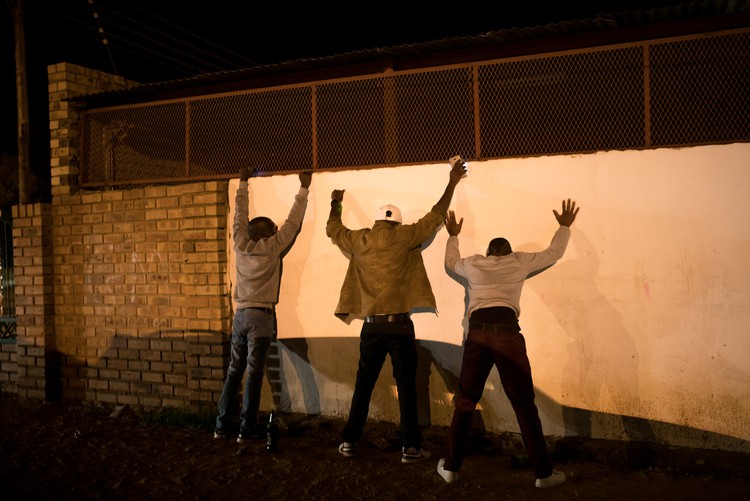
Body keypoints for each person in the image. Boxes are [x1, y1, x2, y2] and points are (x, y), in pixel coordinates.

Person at [327, 159, 467, 463]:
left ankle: (350, 442)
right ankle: (410, 448)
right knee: (406, 387)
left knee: (363, 385)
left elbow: (332, 228)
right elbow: (436, 215)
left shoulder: (359, 239)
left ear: (377, 221)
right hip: (400, 326)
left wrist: (336, 202)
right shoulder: (406, 237)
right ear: (397, 222)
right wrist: (452, 182)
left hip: (371, 327)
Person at [437, 198, 580, 489]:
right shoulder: (520, 261)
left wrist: (452, 235)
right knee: (524, 404)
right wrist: (564, 226)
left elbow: (450, 263)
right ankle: (543, 474)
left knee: (465, 401)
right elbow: (554, 253)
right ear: (509, 251)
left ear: (489, 253)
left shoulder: (475, 263)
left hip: (477, 332)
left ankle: (451, 468)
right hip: (507, 333)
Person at [214, 166, 312, 443]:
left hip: (240, 315)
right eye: (273, 229)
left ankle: (220, 426)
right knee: (255, 373)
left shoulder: (240, 243)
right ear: (269, 233)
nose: (277, 230)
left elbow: (239, 216)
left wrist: (243, 182)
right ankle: (246, 430)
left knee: (235, 370)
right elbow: (293, 223)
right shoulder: (272, 248)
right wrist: (303, 188)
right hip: (262, 317)